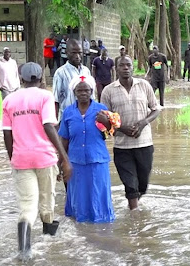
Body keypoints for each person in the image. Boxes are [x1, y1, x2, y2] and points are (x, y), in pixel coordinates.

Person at [2, 62, 72, 259]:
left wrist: (13, 158)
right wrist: (64, 158)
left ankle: (24, 251)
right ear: (41, 79)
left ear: (21, 79)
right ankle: (49, 243)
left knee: (27, 206)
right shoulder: (45, 96)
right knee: (47, 201)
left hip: (21, 159)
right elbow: (49, 126)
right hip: (44, 157)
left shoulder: (9, 100)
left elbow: (7, 135)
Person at [101, 56, 160, 210]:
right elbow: (104, 119)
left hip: (145, 143)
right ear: (116, 69)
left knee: (142, 185)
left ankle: (134, 202)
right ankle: (134, 216)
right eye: (122, 65)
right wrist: (121, 128)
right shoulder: (108, 91)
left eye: (128, 65)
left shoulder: (144, 85)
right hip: (122, 146)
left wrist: (142, 123)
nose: (125, 68)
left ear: (133, 68)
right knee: (130, 184)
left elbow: (155, 109)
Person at [58, 75, 115, 223]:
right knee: (79, 198)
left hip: (97, 161)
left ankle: (100, 227)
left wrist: (107, 123)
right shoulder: (68, 113)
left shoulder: (101, 110)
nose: (83, 93)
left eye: (86, 90)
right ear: (74, 92)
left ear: (91, 91)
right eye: (79, 90)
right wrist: (61, 163)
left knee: (98, 195)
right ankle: (81, 228)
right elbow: (64, 139)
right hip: (75, 163)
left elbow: (111, 132)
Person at [52, 39, 92, 119]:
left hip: (86, 117)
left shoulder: (86, 71)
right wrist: (55, 122)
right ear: (66, 53)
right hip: (68, 118)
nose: (77, 56)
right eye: (73, 53)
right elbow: (55, 100)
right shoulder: (60, 73)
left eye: (79, 53)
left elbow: (91, 96)